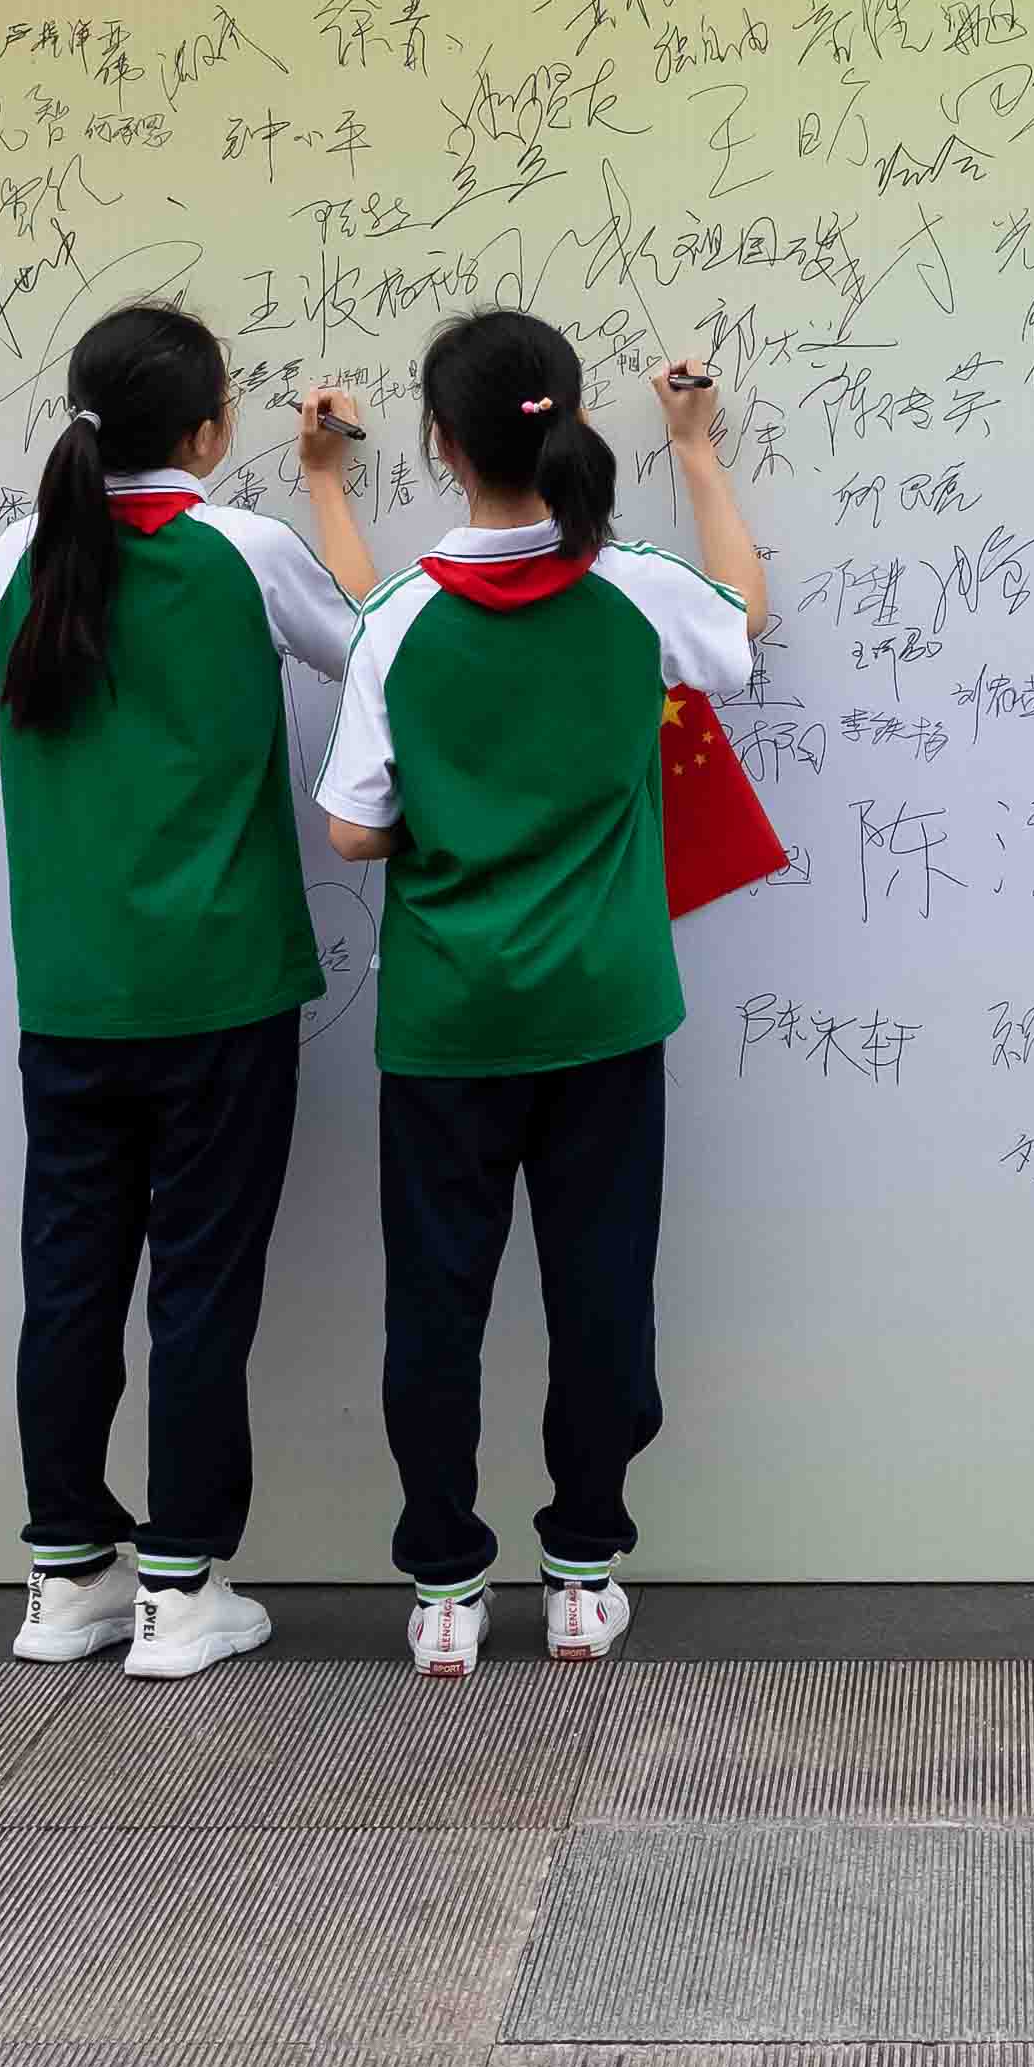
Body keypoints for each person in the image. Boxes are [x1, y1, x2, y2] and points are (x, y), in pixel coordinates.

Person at [317, 312, 770, 1672]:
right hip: (604, 1015)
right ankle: (580, 1569)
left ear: (438, 444)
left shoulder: (399, 621)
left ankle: (444, 1589)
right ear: (567, 422)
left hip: (448, 1026)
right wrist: (697, 455)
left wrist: (327, 489)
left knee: (435, 1306)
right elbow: (741, 624)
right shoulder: (635, 592)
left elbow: (350, 829)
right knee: (600, 1290)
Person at [0, 302, 372, 1680]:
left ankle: (63, 1575)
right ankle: (181, 1585)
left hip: (69, 993)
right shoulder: (240, 549)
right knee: (199, 1289)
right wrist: (325, 486)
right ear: (209, 430)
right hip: (219, 989)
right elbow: (375, 651)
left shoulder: (19, 554)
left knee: (67, 1285)